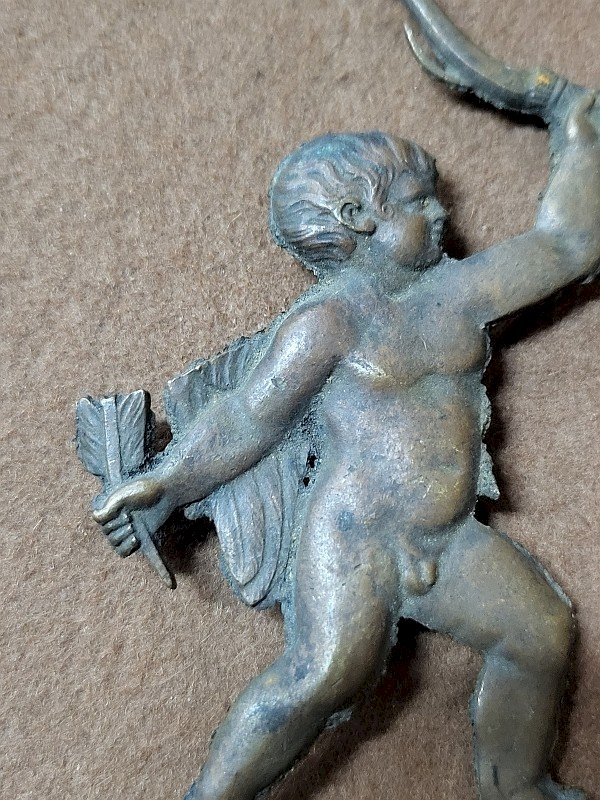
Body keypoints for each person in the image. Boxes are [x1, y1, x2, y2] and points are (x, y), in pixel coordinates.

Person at [91, 30, 600, 800]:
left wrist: (577, 135)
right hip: (356, 540)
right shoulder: (330, 320)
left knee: (539, 635)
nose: (441, 214)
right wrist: (165, 484)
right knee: (321, 677)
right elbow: (249, 418)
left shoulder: (459, 295)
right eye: (418, 201)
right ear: (358, 216)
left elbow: (567, 244)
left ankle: (517, 785)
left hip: (444, 536)